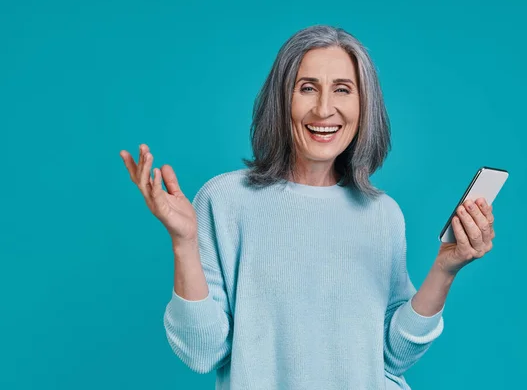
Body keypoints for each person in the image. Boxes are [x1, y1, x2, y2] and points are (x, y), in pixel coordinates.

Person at [120, 25, 496, 390]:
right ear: (282, 100)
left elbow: (393, 356)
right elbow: (202, 353)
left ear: (364, 106)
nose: (324, 108)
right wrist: (184, 243)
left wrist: (446, 269)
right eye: (307, 88)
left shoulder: (382, 213)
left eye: (343, 89)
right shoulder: (224, 200)